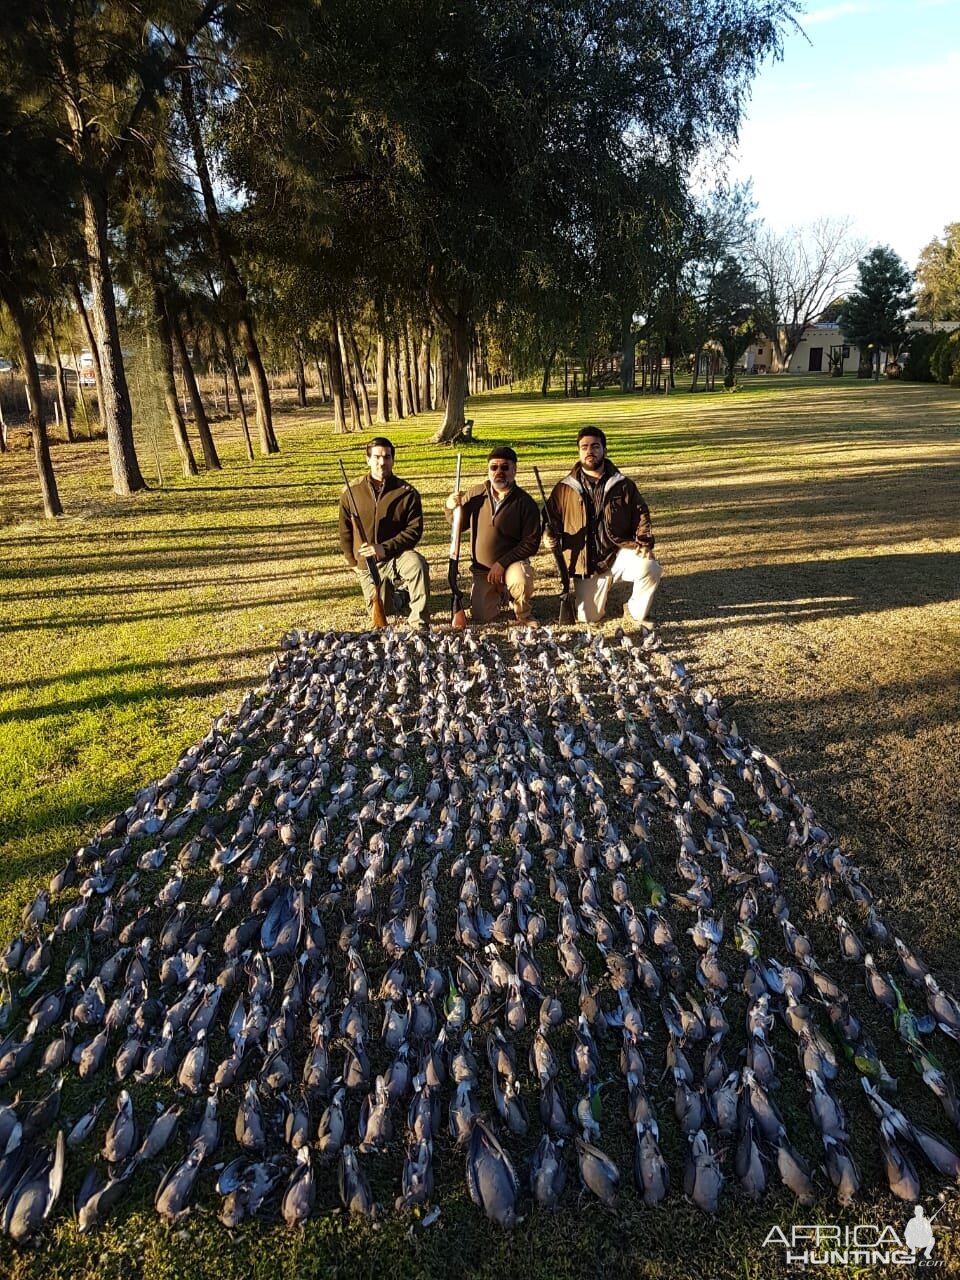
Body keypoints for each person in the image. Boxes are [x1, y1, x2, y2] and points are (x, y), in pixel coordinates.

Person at [544, 425, 661, 625]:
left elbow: (642, 515)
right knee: (588, 617)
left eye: (595, 446)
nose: (590, 451)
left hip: (618, 553)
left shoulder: (623, 484)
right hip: (586, 564)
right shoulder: (564, 488)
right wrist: (548, 535)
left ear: (604, 451)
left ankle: (633, 611)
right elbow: (548, 518)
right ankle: (593, 594)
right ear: (579, 452)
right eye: (584, 447)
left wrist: (643, 542)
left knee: (650, 567)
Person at [338, 437, 430, 628]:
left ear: (393, 460)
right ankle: (401, 597)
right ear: (368, 459)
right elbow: (345, 530)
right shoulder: (351, 491)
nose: (382, 462)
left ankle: (419, 621)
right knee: (383, 609)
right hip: (367, 563)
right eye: (377, 457)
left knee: (417, 564)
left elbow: (414, 531)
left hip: (397, 555)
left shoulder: (407, 492)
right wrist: (353, 562)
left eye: (387, 457)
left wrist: (383, 548)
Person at [445, 446, 541, 625]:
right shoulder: (476, 493)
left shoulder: (525, 502)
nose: (499, 472)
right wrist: (451, 506)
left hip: (512, 564)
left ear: (514, 470)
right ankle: (502, 594)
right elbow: (457, 524)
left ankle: (523, 614)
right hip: (483, 570)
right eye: (494, 467)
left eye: (505, 467)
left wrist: (502, 563)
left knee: (521, 579)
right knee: (483, 618)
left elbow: (532, 542)